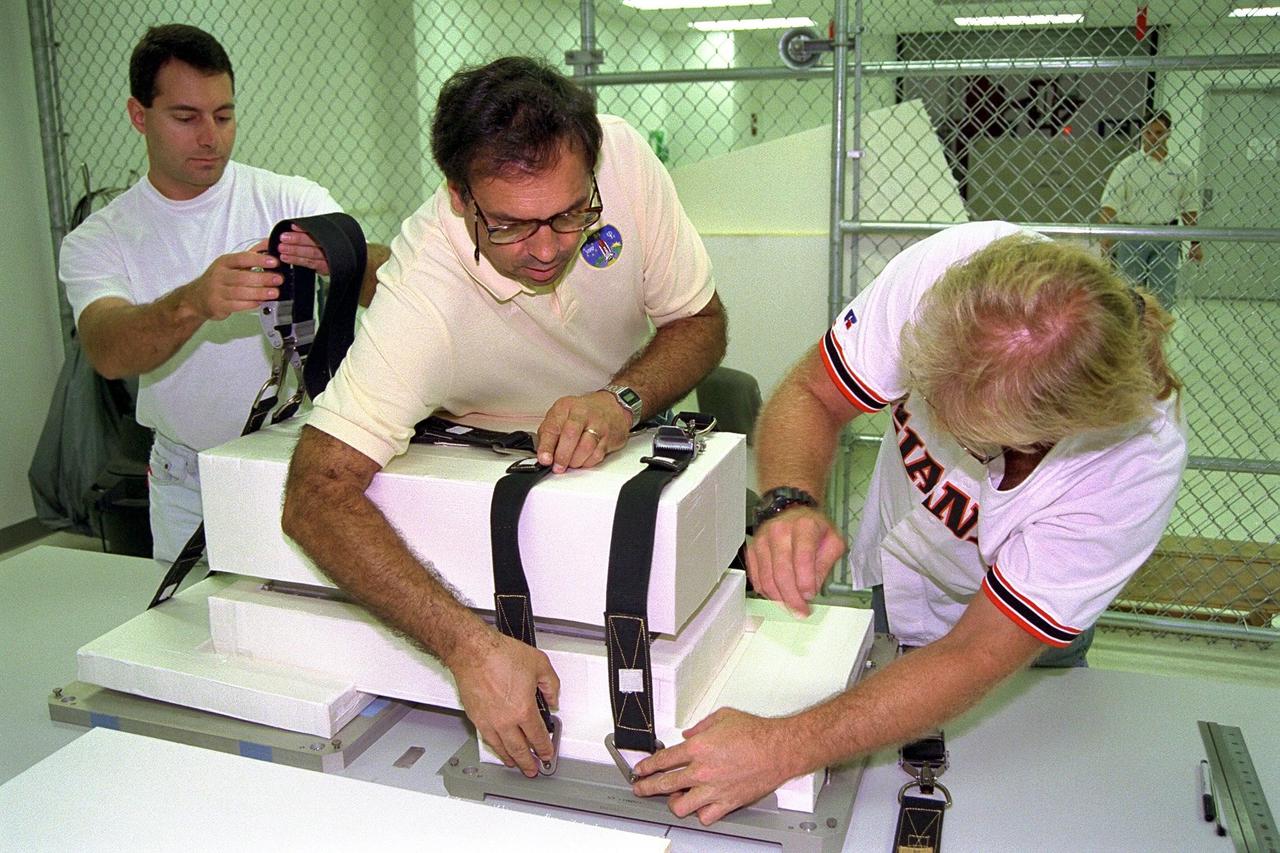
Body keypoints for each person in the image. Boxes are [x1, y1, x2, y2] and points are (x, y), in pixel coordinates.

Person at [631, 220, 1187, 824]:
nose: (934, 426)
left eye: (970, 436)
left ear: (1049, 436)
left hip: (1015, 646)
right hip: (899, 577)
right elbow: (813, 396)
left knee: (1016, 807)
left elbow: (974, 655)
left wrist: (782, 746)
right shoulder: (956, 274)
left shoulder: (1130, 467)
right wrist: (789, 502)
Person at [282, 57, 726, 778]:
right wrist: (469, 648)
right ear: (460, 199)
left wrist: (621, 400)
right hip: (493, 482)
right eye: (514, 226)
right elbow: (313, 491)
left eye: (568, 213)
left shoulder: (627, 163)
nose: (549, 248)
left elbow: (699, 322)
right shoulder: (424, 294)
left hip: (629, 446)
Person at [59, 24, 389, 564]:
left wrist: (344, 256)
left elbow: (394, 282)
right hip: (185, 481)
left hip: (295, 462)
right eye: (186, 118)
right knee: (189, 635)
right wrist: (194, 302)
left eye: (224, 115)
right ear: (139, 115)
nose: (210, 137)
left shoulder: (287, 196)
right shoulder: (101, 238)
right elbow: (107, 350)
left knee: (301, 629)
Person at [1100, 111, 1202, 307]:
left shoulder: (1182, 170)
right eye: (1148, 132)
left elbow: (1189, 207)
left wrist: (1195, 242)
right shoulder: (1127, 167)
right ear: (1142, 133)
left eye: (1159, 132)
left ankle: (1159, 334)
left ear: (1169, 133)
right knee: (1129, 293)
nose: (1153, 137)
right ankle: (1132, 335)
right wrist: (1105, 239)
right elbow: (1109, 205)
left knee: (1163, 295)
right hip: (1132, 235)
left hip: (1167, 236)